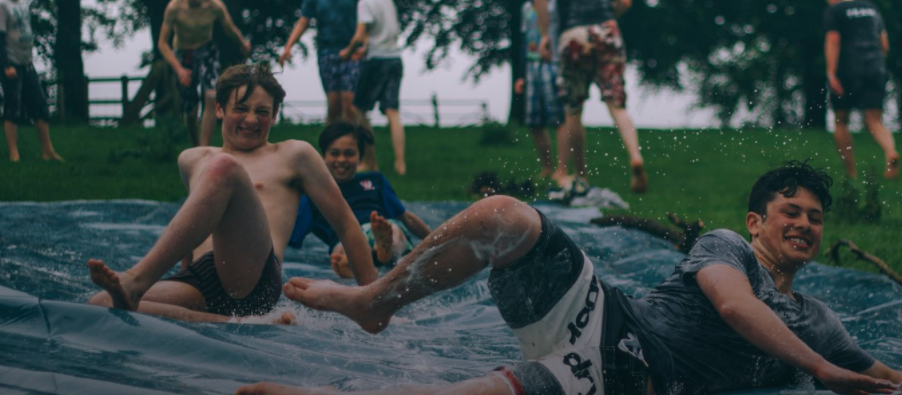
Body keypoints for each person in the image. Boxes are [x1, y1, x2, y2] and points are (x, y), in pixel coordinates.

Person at [237, 160, 902, 395]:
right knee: (503, 216)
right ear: (758, 220)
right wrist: (824, 368)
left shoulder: (819, 320)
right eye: (792, 211)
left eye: (816, 218)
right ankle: (375, 300)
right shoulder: (728, 248)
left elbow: (873, 375)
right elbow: (733, 310)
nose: (806, 226)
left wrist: (850, 370)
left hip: (617, 383)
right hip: (608, 324)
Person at [86, 64, 377, 323]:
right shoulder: (192, 159)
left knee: (224, 167)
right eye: (241, 108)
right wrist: (183, 272)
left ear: (274, 115)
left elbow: (346, 224)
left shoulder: (293, 155)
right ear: (220, 109)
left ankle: (136, 280)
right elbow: (195, 223)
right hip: (200, 278)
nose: (251, 119)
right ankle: (232, 322)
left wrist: (373, 301)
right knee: (100, 304)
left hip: (253, 278)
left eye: (262, 112)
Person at [534, 0, 648, 194]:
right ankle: (635, 157)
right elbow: (624, 0)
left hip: (573, 33)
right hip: (606, 28)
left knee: (573, 108)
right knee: (616, 102)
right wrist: (609, 21)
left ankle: (581, 175)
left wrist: (544, 35)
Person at [289, 120, 431, 279]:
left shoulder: (375, 180)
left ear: (361, 158)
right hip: (345, 240)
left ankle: (381, 252)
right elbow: (289, 229)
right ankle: (353, 262)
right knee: (341, 248)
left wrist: (433, 238)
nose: (341, 159)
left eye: (349, 153)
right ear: (323, 156)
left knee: (394, 232)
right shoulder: (314, 194)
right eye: (334, 153)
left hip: (379, 227)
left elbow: (404, 216)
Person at [158, 0, 252, 147]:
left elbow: (229, 28)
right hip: (183, 55)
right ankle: (196, 147)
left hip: (207, 51)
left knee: (211, 96)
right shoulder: (174, 8)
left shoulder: (214, 5)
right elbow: (162, 43)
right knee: (190, 110)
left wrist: (242, 43)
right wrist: (179, 70)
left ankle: (204, 147)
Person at [823, 0, 899, 180]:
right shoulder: (871, 7)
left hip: (848, 67)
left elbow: (833, 41)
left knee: (841, 120)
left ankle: (851, 172)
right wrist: (876, 64)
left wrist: (831, 73)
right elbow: (884, 44)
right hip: (875, 66)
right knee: (875, 120)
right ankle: (890, 152)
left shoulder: (835, 10)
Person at [279, 0, 363, 124]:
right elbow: (303, 22)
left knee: (349, 104)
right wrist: (288, 46)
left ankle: (358, 146)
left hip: (352, 50)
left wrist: (365, 43)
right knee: (333, 106)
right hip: (327, 51)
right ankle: (330, 149)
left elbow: (368, 17)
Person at [342, 0, 407, 175]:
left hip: (377, 61)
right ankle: (400, 164)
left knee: (358, 109)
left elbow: (360, 34)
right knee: (392, 111)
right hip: (394, 58)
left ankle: (370, 161)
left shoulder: (365, 2)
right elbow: (384, 31)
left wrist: (348, 52)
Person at [0, 0, 63, 163]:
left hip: (27, 64)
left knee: (40, 105)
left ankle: (48, 151)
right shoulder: (3, 5)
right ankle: (14, 153)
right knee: (12, 108)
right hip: (11, 64)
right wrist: (5, 65)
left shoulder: (24, 4)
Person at [514, 0, 567, 183]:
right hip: (532, 65)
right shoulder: (526, 6)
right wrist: (521, 74)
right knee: (535, 120)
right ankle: (547, 167)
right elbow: (524, 39)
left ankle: (562, 169)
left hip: (553, 63)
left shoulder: (560, 2)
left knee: (560, 118)